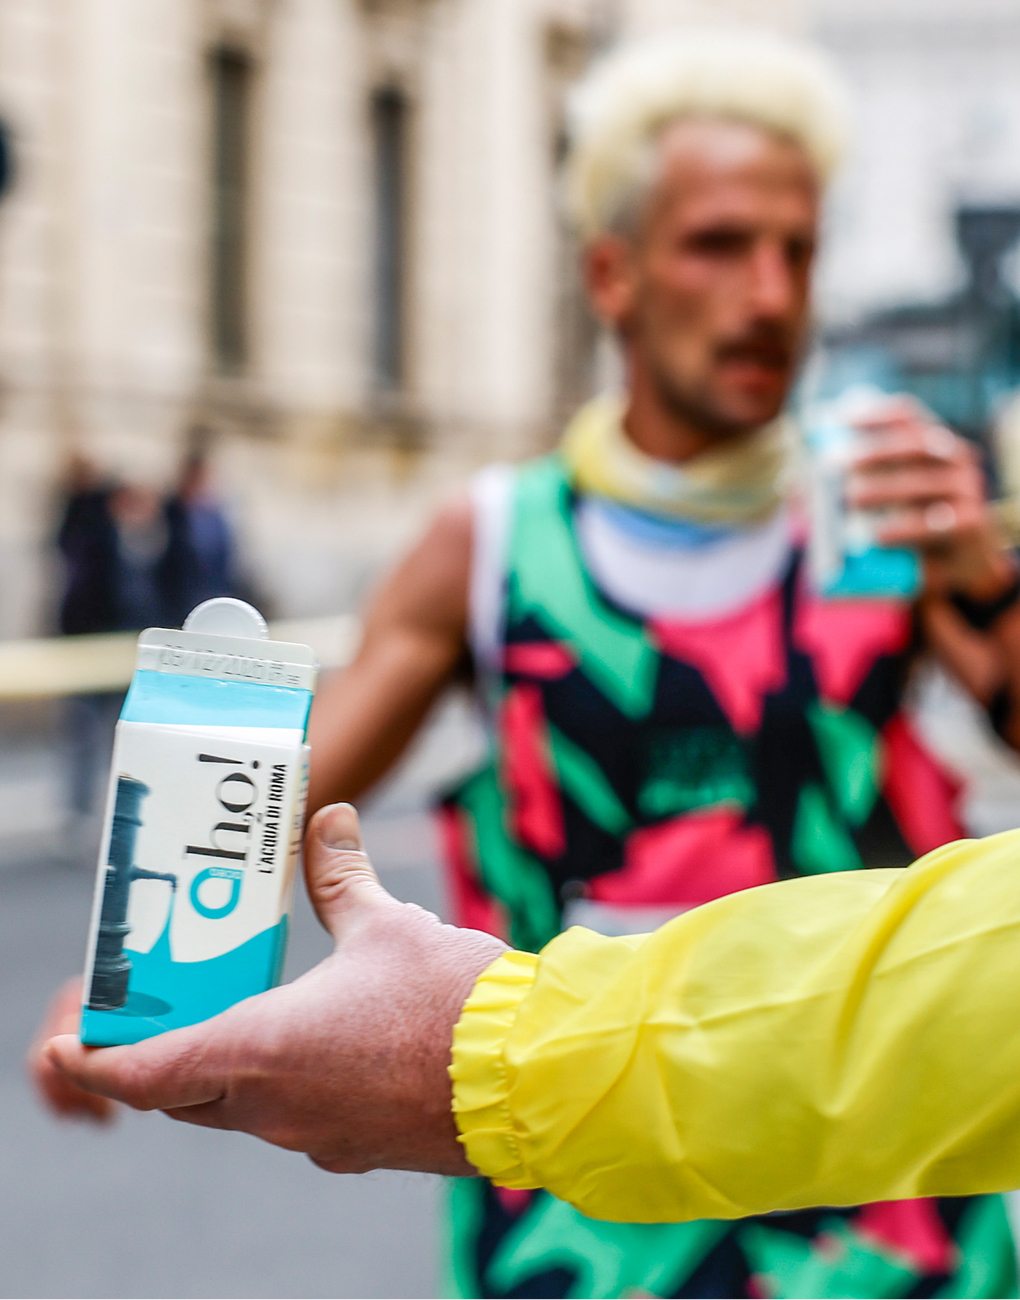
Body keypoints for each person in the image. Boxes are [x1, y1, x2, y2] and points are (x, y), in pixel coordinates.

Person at [32, 26, 1020, 1297]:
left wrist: (982, 573)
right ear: (612, 273)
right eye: (720, 244)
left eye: (798, 249)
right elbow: (278, 808)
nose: (769, 293)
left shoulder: (874, 521)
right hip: (582, 1208)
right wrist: (120, 988)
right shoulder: (495, 541)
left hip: (873, 1212)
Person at [38, 803, 1020, 1252]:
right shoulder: (495, 540)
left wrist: (982, 586)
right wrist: (165, 960)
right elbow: (299, 791)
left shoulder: (889, 540)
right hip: (569, 1183)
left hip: (888, 1194)